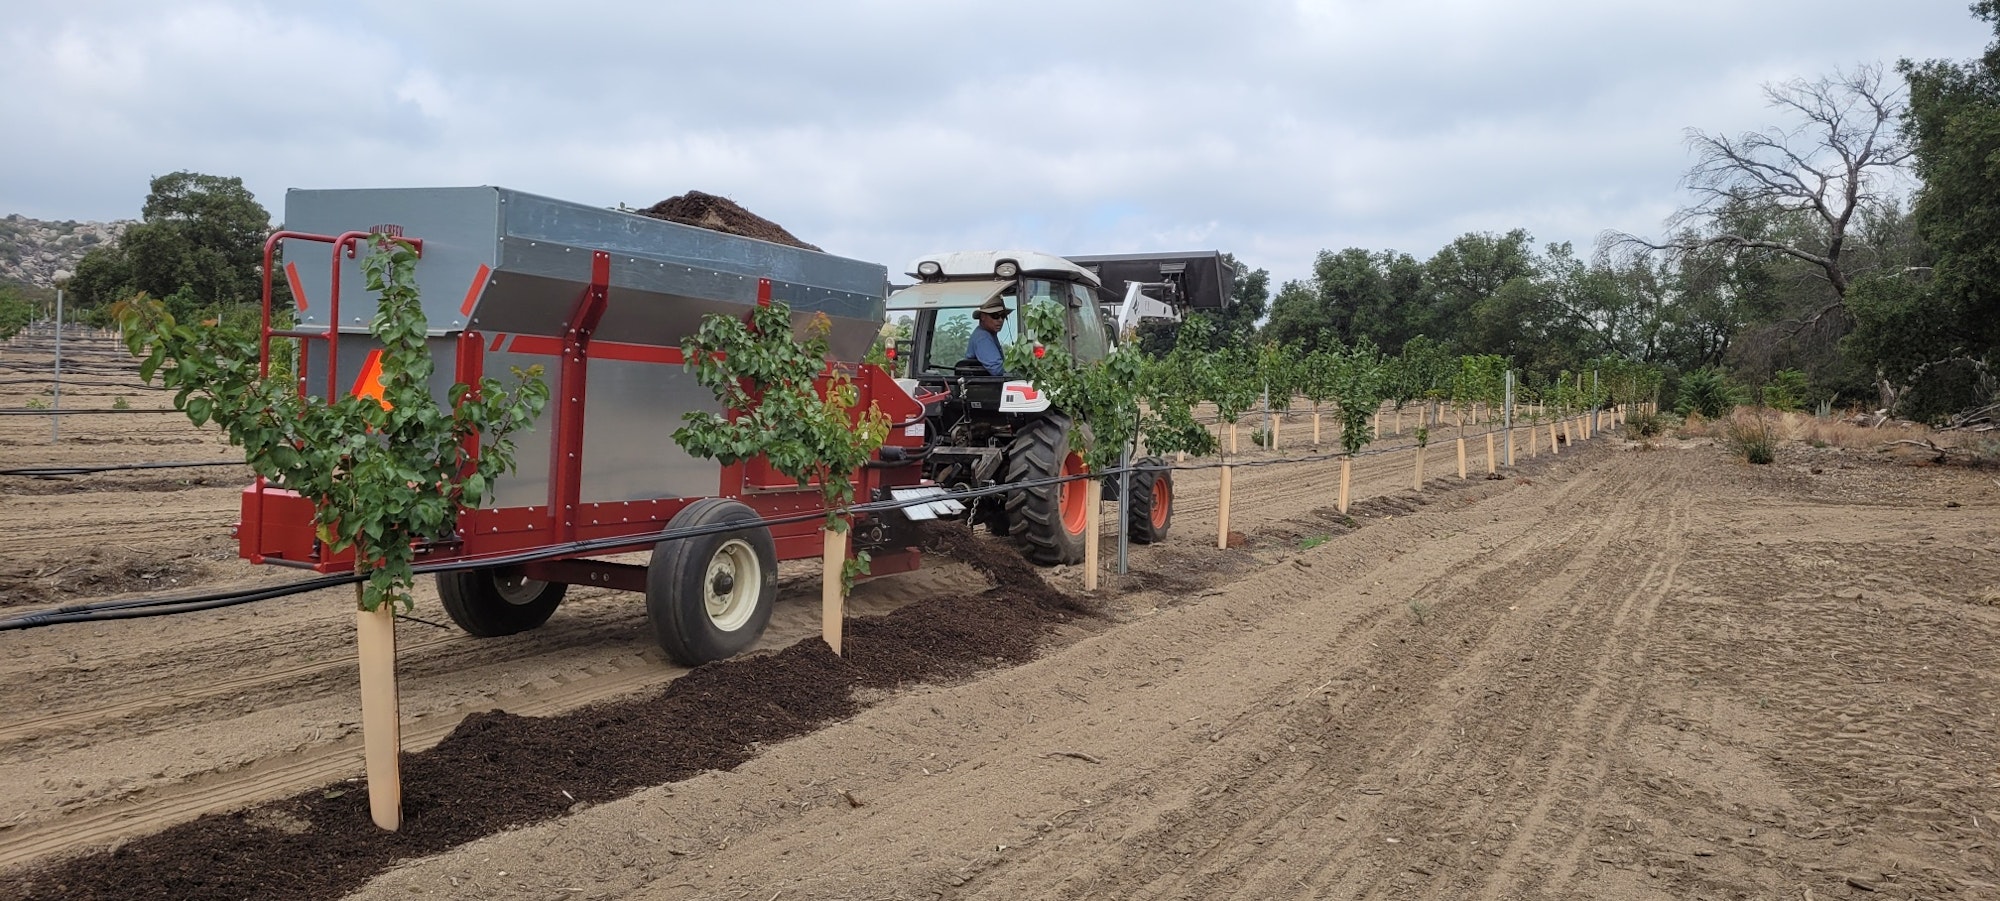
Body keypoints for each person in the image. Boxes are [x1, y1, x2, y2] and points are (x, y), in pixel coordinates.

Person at [964, 295, 1009, 376]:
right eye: (995, 316)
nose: (1000, 320)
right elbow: (997, 370)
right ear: (983, 317)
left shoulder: (988, 334)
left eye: (1003, 316)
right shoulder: (983, 337)